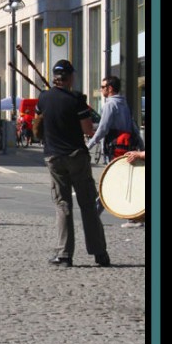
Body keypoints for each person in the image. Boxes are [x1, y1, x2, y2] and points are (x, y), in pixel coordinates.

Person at [35, 60, 109, 267]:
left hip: (53, 157)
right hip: (76, 155)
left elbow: (37, 124)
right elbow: (87, 129)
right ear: (70, 77)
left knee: (62, 204)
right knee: (87, 206)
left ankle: (64, 254)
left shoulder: (44, 98)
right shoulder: (77, 99)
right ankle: (100, 253)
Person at [86, 75, 144, 162]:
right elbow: (134, 127)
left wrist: (88, 146)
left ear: (109, 88)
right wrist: (142, 147)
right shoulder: (125, 104)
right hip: (127, 147)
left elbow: (103, 129)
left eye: (102, 87)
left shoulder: (109, 105)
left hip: (113, 149)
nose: (101, 89)